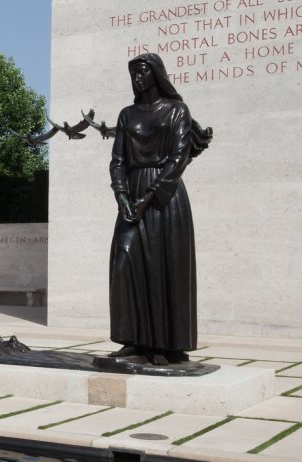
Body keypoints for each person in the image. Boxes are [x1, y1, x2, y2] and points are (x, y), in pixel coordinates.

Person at [107, 53, 212, 365]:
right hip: (133, 195)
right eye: (133, 74)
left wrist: (148, 197)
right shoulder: (127, 115)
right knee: (124, 261)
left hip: (165, 198)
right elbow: (118, 161)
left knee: (164, 268)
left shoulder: (177, 110)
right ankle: (134, 338)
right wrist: (123, 196)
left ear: (156, 74)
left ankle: (165, 345)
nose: (137, 78)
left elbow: (178, 158)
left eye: (142, 72)